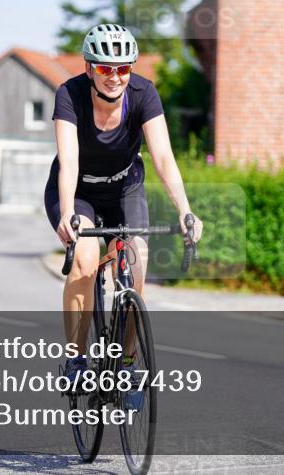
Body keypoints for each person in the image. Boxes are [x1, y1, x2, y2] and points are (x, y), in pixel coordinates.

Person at [44, 23, 203, 402]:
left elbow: (163, 156)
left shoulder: (144, 93)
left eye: (123, 68)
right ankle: (76, 360)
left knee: (136, 260)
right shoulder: (70, 95)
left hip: (124, 186)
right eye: (104, 68)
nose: (114, 77)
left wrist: (185, 210)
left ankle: (127, 364)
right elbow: (68, 160)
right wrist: (68, 214)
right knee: (85, 259)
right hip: (78, 191)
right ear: (89, 69)